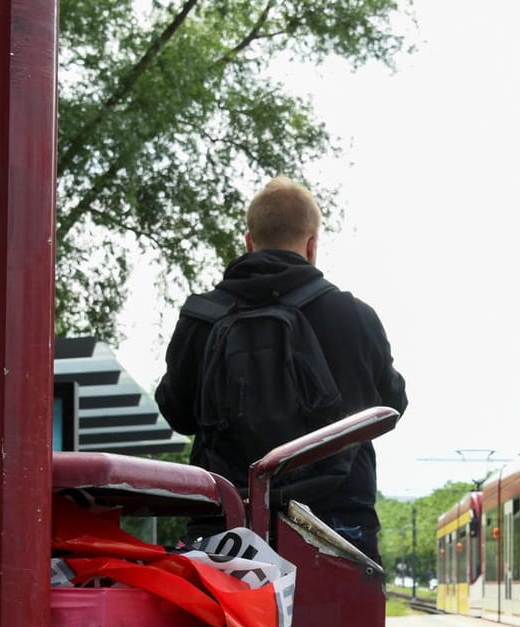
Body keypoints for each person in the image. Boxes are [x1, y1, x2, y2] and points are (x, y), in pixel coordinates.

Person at [157, 177, 407, 563]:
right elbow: (392, 404)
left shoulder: (201, 317)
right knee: (339, 624)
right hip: (337, 528)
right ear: (312, 244)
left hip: (225, 530)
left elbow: (176, 412)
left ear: (249, 241)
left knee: (225, 625)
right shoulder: (353, 317)